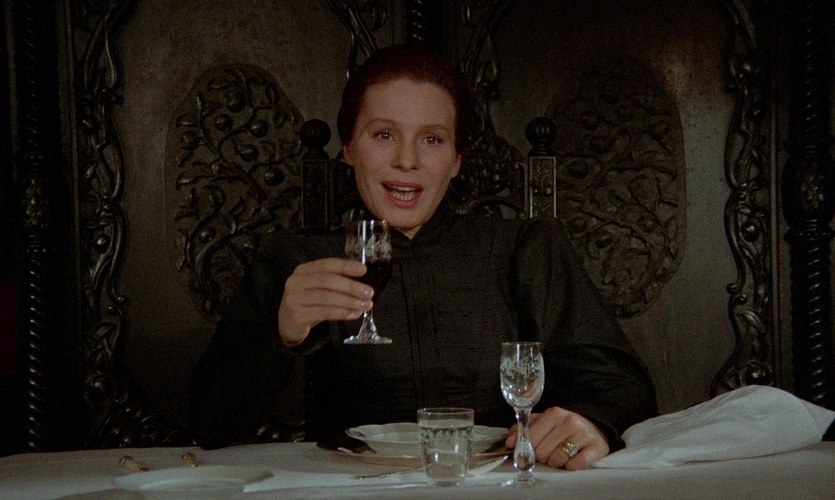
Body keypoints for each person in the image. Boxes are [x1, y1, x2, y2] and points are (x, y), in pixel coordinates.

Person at [188, 43, 657, 470]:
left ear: (456, 159)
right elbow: (209, 423)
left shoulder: (526, 248)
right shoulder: (295, 260)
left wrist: (591, 423)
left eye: (432, 139)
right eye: (383, 135)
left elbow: (626, 389)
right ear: (349, 148)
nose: (407, 161)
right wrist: (280, 336)